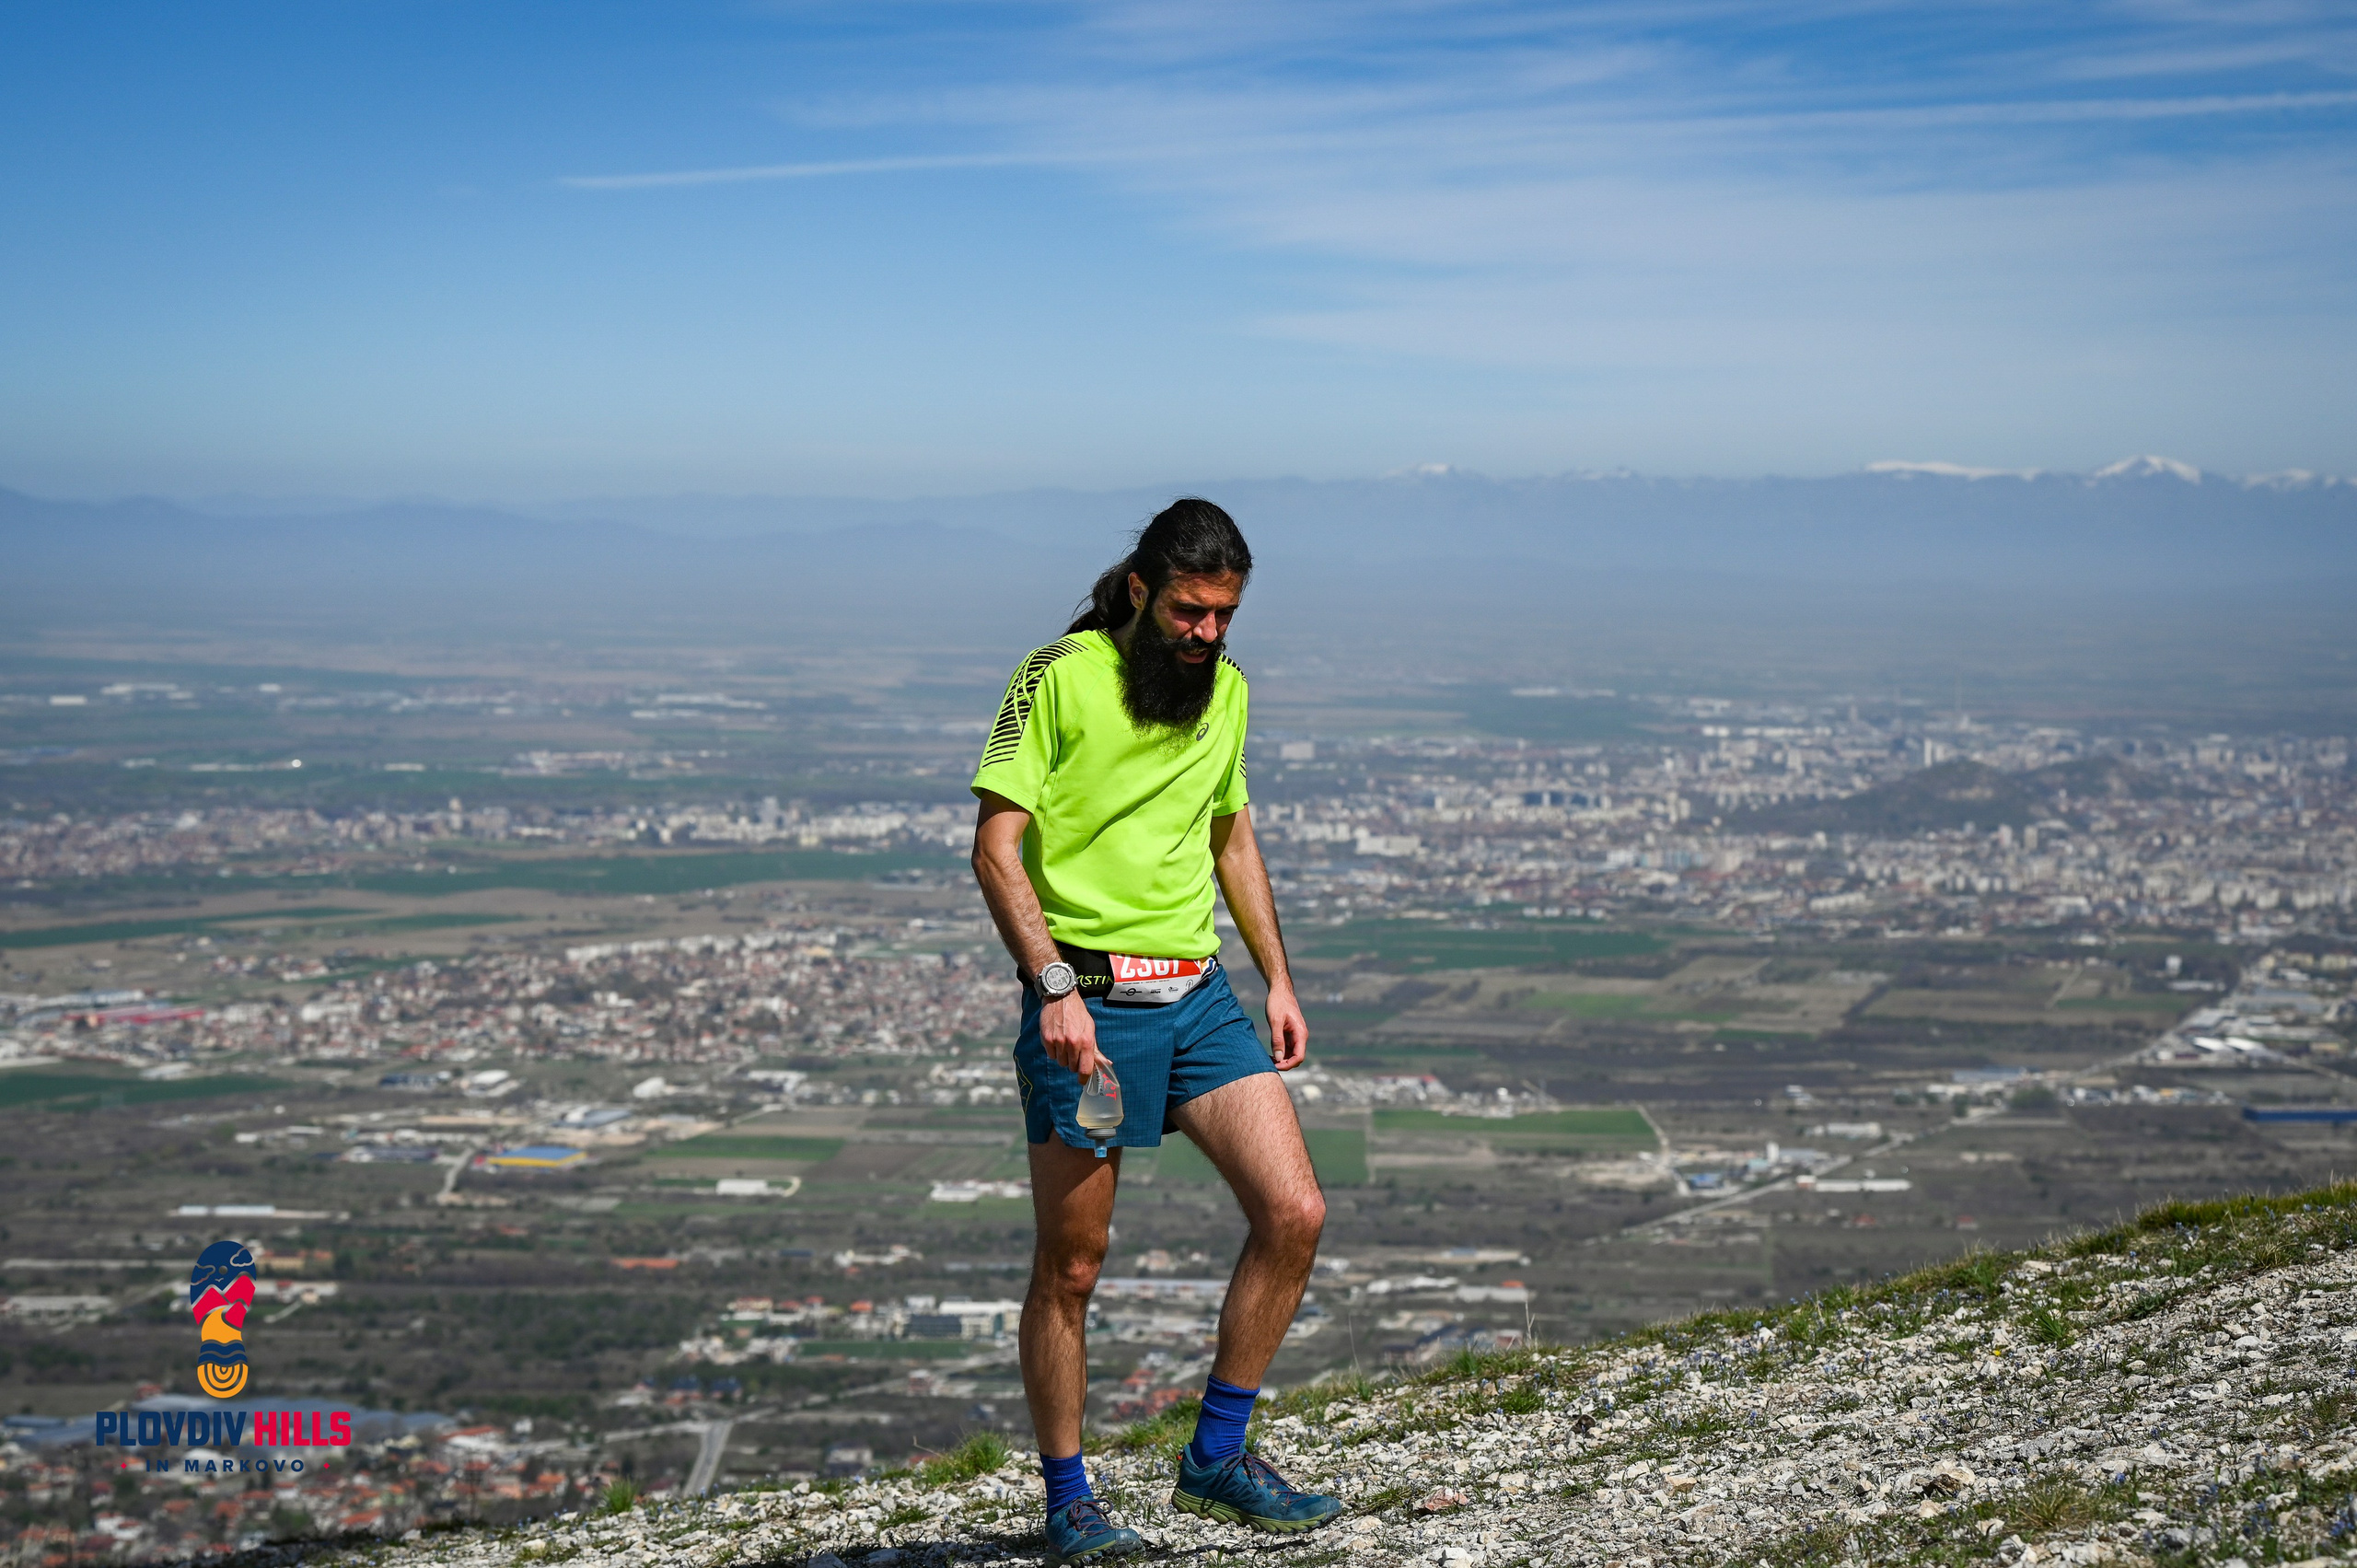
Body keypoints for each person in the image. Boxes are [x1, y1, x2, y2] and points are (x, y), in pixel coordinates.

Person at [969, 498, 1343, 1561]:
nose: (1209, 634)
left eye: (1225, 615)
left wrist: (1276, 976)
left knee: (1296, 1209)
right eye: (1191, 611)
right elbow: (997, 847)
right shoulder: (1056, 674)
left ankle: (1216, 1455)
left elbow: (1229, 832)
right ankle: (1068, 1497)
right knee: (1073, 1266)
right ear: (1141, 588)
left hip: (1195, 994)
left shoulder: (1225, 691)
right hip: (1085, 998)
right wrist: (1050, 986)